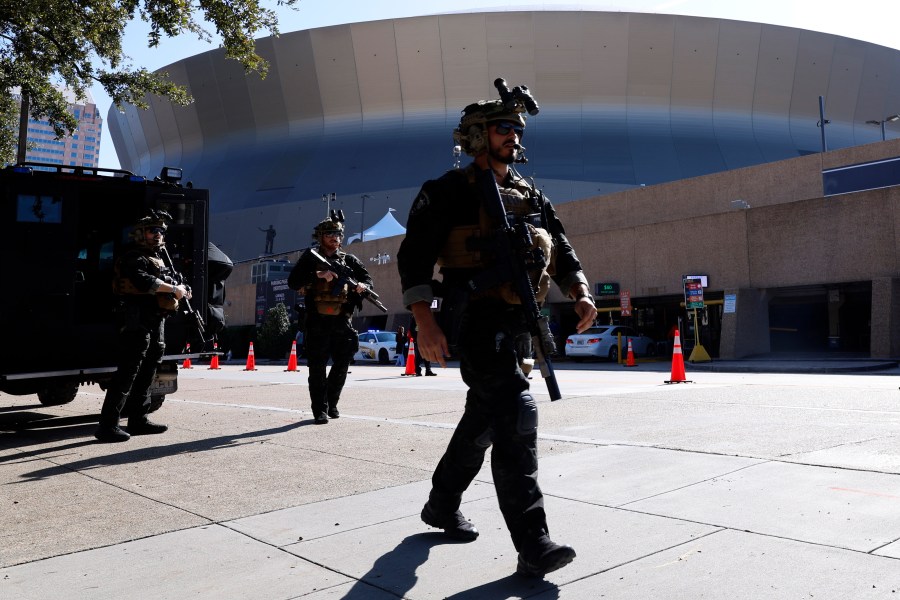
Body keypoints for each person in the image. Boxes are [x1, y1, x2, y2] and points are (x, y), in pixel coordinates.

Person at [397, 88, 598, 578]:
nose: (515, 135)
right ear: (476, 135)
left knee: (484, 420)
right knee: (517, 410)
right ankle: (534, 542)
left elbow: (561, 245)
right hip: (474, 318)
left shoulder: (529, 194)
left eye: (518, 129)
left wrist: (580, 290)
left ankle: (441, 504)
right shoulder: (447, 190)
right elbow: (413, 257)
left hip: (518, 321)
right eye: (504, 127)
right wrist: (424, 320)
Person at [95, 210, 192, 443]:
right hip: (136, 319)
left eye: (160, 231)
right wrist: (173, 289)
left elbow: (169, 284)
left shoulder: (158, 258)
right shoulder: (133, 257)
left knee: (149, 370)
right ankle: (107, 425)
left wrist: (182, 289)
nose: (157, 234)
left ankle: (139, 419)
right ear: (140, 234)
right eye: (152, 230)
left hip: (155, 319)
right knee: (128, 371)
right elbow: (143, 281)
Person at [287, 218, 373, 424]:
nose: (335, 238)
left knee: (342, 364)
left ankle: (332, 403)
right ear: (321, 237)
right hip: (317, 321)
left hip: (342, 320)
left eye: (338, 235)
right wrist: (319, 275)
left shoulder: (349, 260)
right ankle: (320, 410)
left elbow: (368, 279)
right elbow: (293, 281)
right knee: (317, 368)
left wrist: (362, 286)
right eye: (330, 234)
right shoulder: (310, 258)